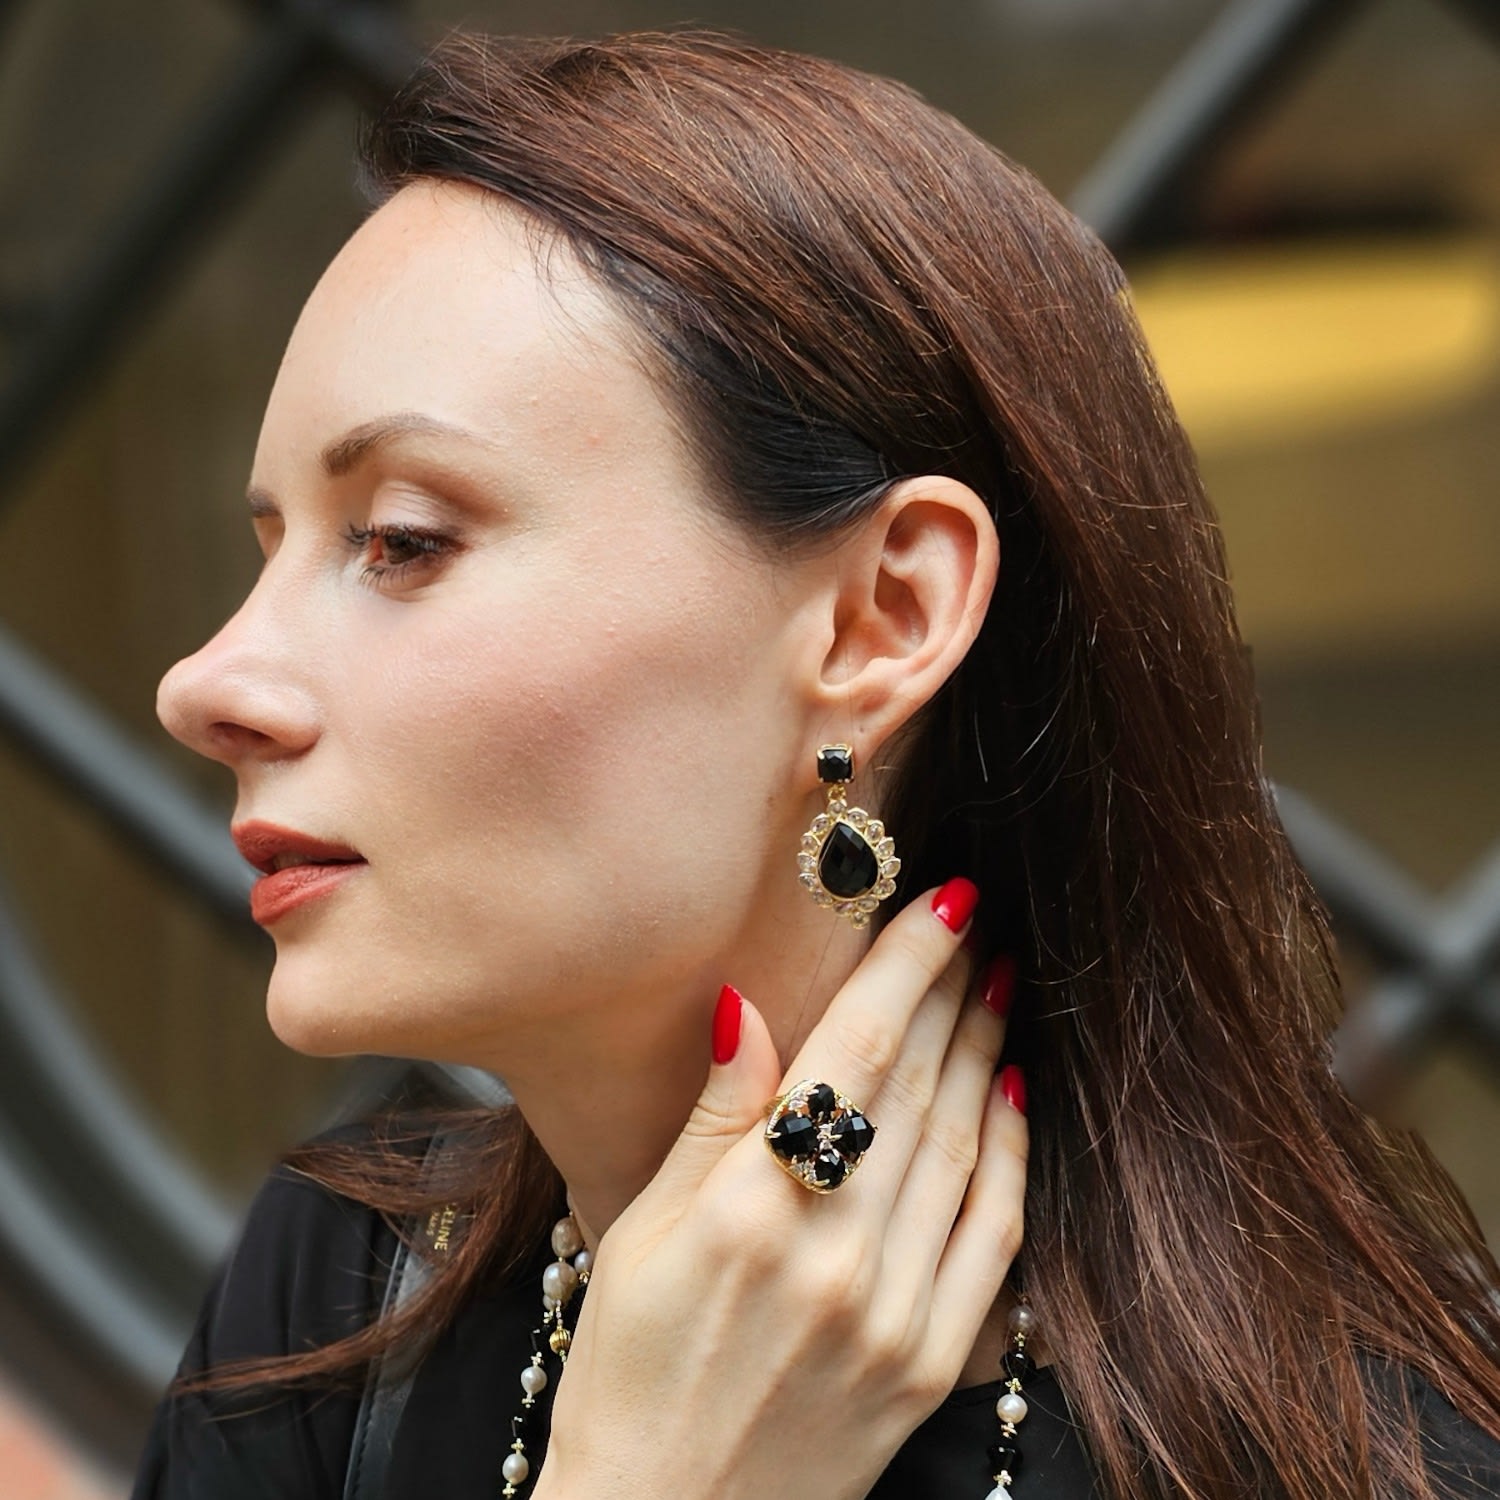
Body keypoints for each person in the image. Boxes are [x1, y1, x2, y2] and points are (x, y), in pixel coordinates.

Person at [133, 29, 1500, 1500]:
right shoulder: (337, 1308)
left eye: (402, 541)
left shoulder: (1366, 1465)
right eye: (271, 553)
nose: (207, 683)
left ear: (882, 616)